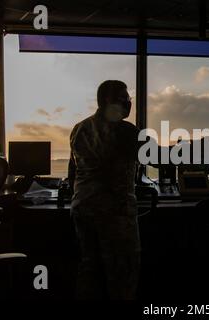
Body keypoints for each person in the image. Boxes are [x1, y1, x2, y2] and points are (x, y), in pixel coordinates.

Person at [68, 80, 141, 300]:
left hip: (82, 209)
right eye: (123, 98)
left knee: (90, 270)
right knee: (122, 276)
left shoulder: (79, 128)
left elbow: (74, 172)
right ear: (108, 102)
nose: (129, 102)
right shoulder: (126, 130)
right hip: (115, 214)